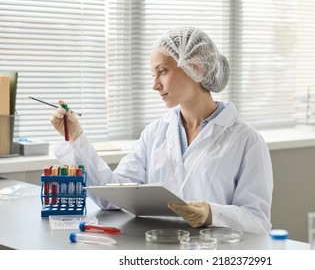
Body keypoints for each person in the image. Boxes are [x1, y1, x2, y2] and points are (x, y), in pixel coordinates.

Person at [51, 26, 273, 235]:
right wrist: (76, 138)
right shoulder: (155, 133)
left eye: (162, 71)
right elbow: (113, 196)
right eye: (153, 74)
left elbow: (258, 221)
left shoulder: (246, 141)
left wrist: (212, 214)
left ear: (196, 67)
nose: (155, 84)